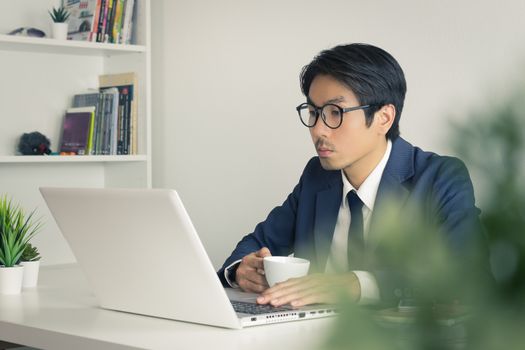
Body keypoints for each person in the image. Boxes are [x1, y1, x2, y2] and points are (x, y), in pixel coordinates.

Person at [217, 43, 484, 308]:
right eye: (313, 112)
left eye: (335, 112)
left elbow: (466, 280)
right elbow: (258, 243)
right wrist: (241, 269)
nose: (318, 130)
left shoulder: (440, 178)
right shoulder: (317, 177)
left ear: (384, 118)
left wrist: (356, 284)